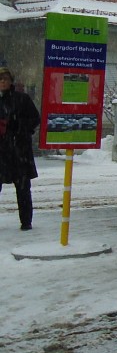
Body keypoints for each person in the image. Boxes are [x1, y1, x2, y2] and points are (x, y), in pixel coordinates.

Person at [0, 66, 40, 230]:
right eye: (0, 79)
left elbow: (35, 119)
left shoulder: (21, 99)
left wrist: (20, 129)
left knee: (23, 188)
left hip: (19, 151)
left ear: (11, 81)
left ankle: (26, 222)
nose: (2, 82)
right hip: (1, 152)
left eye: (5, 79)